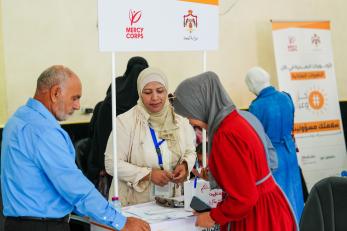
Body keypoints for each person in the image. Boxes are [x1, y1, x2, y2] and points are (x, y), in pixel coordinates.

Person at [0, 65, 150, 231]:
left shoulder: (18, 119)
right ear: (55, 93)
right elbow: (73, 185)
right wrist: (120, 221)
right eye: (75, 98)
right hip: (43, 226)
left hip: (18, 223)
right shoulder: (43, 131)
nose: (78, 106)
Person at [172, 71, 297, 231]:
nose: (189, 121)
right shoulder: (236, 120)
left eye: (189, 115)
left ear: (200, 106)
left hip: (256, 217)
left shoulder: (226, 135)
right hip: (268, 206)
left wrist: (212, 217)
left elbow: (244, 198)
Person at [105, 67, 196, 206]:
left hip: (171, 201)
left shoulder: (179, 121)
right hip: (134, 203)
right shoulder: (125, 122)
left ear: (167, 91)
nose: (155, 97)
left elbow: (190, 150)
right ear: (140, 93)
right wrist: (147, 174)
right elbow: (111, 164)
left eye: (160, 91)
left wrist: (185, 165)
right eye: (147, 92)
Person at [245, 66, 304, 221]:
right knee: (294, 193)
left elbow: (255, 137)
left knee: (277, 197)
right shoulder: (286, 97)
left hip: (271, 156)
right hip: (290, 151)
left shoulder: (256, 106)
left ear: (251, 84)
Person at [86, 57, 149, 197]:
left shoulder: (111, 96)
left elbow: (98, 133)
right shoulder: (141, 107)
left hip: (106, 163)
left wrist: (101, 164)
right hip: (132, 166)